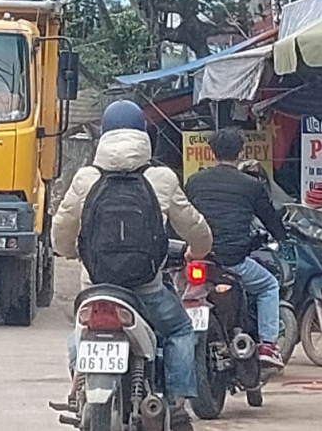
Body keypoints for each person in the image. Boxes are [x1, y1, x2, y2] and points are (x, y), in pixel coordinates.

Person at [52, 100, 213, 429]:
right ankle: (178, 404)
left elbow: (62, 229)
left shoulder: (87, 178)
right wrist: (198, 251)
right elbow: (194, 227)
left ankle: (79, 388)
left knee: (79, 334)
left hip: (96, 288)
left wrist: (69, 251)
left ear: (103, 135)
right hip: (147, 290)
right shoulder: (161, 178)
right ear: (144, 134)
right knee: (182, 330)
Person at [184, 127, 287, 369]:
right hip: (233, 261)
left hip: (199, 258)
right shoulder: (251, 185)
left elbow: (185, 216)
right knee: (269, 285)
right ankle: (268, 345)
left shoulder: (195, 182)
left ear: (211, 153)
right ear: (241, 152)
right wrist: (282, 237)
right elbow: (270, 219)